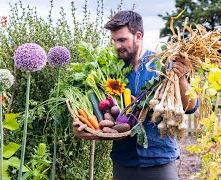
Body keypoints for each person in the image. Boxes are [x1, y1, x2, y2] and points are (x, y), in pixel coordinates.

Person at [72, 10, 199, 180]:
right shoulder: (110, 70)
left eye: (122, 39)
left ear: (138, 36)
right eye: (114, 40)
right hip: (123, 162)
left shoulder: (163, 65)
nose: (117, 45)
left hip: (160, 160)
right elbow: (101, 114)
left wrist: (182, 78)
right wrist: (85, 129)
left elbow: (190, 107)